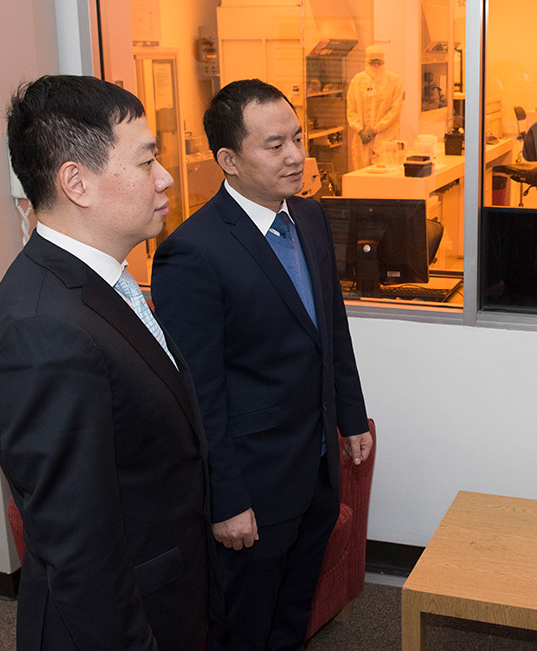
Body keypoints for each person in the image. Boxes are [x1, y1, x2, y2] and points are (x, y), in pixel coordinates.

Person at [0, 75, 209, 650]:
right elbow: (80, 550)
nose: (166, 178)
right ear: (76, 182)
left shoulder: (102, 283)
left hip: (170, 590)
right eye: (147, 160)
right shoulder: (42, 331)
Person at [151, 79, 372, 651]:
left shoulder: (311, 219)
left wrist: (351, 417)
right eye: (275, 145)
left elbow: (332, 331)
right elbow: (199, 393)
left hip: (317, 466)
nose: (297, 155)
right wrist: (226, 500)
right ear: (229, 160)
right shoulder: (193, 251)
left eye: (297, 138)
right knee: (244, 627)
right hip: (254, 485)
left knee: (291, 616)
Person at [346, 44, 404, 169]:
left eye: (379, 62)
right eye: (373, 62)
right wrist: (360, 130)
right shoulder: (358, 80)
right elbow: (351, 110)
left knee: (386, 176)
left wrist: (376, 129)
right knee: (362, 177)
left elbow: (395, 110)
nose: (376, 66)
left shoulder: (393, 80)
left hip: (386, 138)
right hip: (363, 140)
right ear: (367, 62)